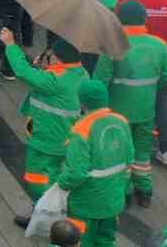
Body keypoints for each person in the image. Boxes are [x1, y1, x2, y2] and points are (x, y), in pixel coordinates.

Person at [91, 0, 167, 208]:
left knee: (120, 152)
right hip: (146, 110)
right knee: (142, 153)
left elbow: (99, 83)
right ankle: (144, 192)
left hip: (118, 112)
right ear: (144, 19)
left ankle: (124, 192)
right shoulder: (159, 45)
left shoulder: (112, 46)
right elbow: (166, 76)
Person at [55, 79, 132, 247]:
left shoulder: (82, 130)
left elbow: (76, 173)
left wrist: (60, 184)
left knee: (82, 241)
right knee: (106, 240)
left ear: (82, 101)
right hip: (113, 201)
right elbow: (129, 158)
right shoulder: (121, 121)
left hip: (86, 204)